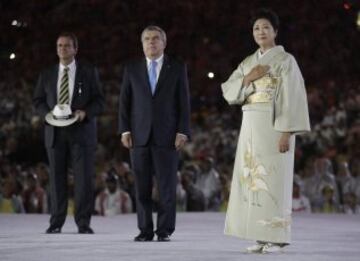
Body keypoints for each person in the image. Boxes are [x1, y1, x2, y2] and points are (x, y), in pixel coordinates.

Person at [221, 9, 310, 253]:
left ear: (275, 31)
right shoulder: (248, 62)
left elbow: (292, 98)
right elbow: (229, 91)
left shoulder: (285, 61)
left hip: (273, 124)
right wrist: (248, 77)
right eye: (256, 28)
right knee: (252, 180)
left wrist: (286, 132)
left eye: (266, 27)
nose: (261, 32)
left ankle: (278, 236)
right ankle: (261, 235)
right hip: (250, 124)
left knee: (274, 178)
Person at [118, 25, 190, 242]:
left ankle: (165, 230)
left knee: (167, 187)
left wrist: (182, 131)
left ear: (164, 43)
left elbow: (184, 102)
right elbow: (124, 102)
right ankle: (145, 230)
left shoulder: (177, 67)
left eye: (156, 38)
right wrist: (125, 130)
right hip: (138, 136)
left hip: (167, 136)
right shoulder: (131, 68)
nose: (151, 42)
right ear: (142, 44)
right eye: (147, 39)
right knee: (141, 188)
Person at [33, 32, 104, 234]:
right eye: (59, 46)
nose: (62, 49)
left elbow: (100, 101)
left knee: (83, 179)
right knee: (56, 179)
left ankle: (83, 222)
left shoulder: (89, 72)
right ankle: (56, 222)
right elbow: (37, 100)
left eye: (67, 46)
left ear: (75, 49)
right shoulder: (46, 74)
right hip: (54, 133)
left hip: (81, 132)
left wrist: (85, 113)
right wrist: (46, 114)